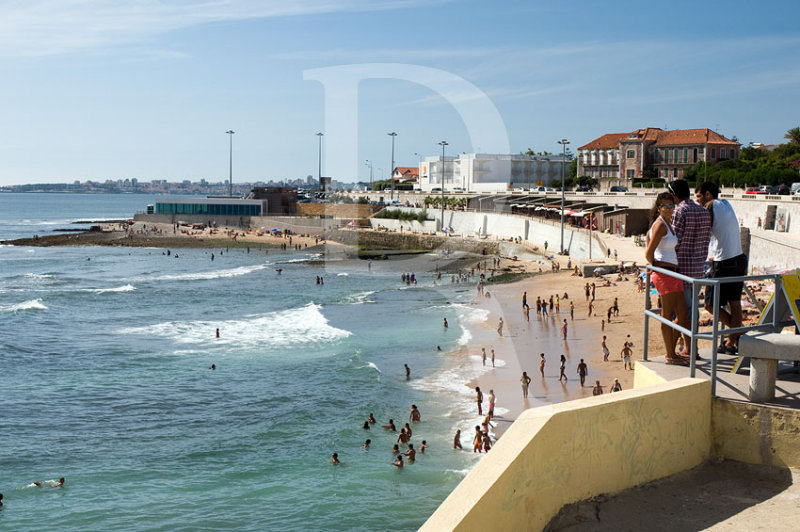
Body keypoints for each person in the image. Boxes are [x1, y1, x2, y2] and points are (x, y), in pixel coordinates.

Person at [696, 181, 748, 354]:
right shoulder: (726, 203)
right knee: (735, 303)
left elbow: (703, 231)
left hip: (723, 262)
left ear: (708, 195)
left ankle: (738, 331)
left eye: (698, 196)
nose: (697, 201)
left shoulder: (709, 206)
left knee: (709, 305)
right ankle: (732, 340)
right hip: (739, 259)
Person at [645, 192, 690, 366]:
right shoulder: (660, 226)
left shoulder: (667, 224)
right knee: (668, 315)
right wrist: (656, 266)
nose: (668, 209)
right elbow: (648, 253)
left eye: (671, 205)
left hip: (672, 272)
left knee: (683, 315)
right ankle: (670, 355)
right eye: (664, 206)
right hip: (665, 274)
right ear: (658, 208)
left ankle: (671, 352)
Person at [669, 179, 711, 329]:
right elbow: (706, 240)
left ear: (674, 195)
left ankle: (688, 347)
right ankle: (692, 346)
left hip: (681, 270)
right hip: (698, 269)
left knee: (682, 311)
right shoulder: (704, 211)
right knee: (693, 309)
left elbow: (674, 241)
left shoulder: (680, 211)